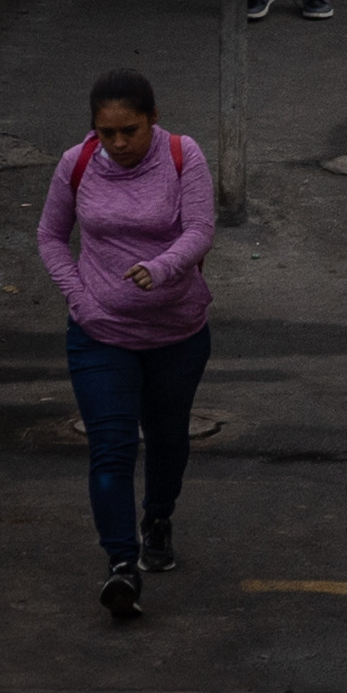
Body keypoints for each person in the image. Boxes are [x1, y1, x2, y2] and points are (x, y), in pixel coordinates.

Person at [40, 71, 219, 620]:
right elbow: (50, 236)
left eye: (130, 131)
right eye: (106, 132)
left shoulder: (183, 156)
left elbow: (200, 230)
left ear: (154, 118)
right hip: (100, 334)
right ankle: (121, 565)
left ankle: (158, 517)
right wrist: (82, 299)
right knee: (111, 449)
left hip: (177, 332)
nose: (118, 144)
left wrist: (161, 268)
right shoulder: (76, 163)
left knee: (167, 440)